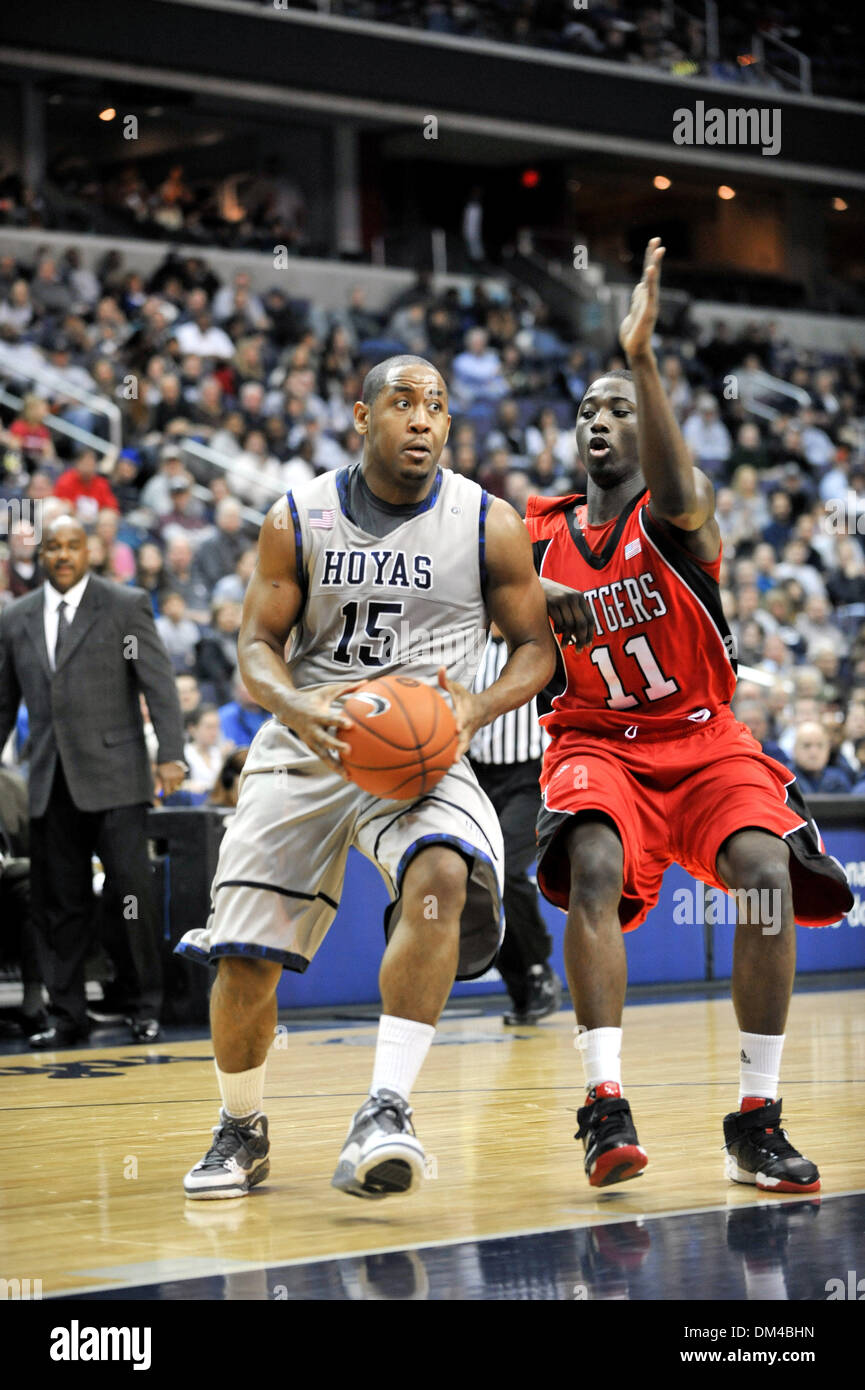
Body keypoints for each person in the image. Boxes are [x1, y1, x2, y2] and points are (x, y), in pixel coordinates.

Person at [176, 354, 556, 1200]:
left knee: (442, 872)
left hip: (424, 744)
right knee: (243, 954)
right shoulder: (296, 516)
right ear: (361, 415)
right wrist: (293, 705)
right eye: (403, 403)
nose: (422, 419)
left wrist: (477, 709)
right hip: (311, 737)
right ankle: (241, 1127)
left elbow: (537, 648)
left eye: (437, 407)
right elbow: (254, 649)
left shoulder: (486, 522)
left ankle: (386, 1108)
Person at [524, 240, 853, 1195]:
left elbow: (678, 492)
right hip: (596, 742)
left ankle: (755, 1118)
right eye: (587, 408)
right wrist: (537, 590)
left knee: (762, 875)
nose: (599, 420)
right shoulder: (536, 532)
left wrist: (642, 361)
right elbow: (483, 586)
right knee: (588, 860)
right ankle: (603, 1105)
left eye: (618, 408)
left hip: (703, 740)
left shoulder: (678, 520)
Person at [0, 516, 187, 1047]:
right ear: (41, 556)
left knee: (132, 897)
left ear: (91, 551)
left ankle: (146, 1003)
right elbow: (2, 704)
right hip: (49, 781)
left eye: (72, 545)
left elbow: (160, 684)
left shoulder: (124, 605)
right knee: (59, 903)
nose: (62, 554)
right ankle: (67, 1015)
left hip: (117, 779)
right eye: (52, 546)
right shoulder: (16, 618)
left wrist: (172, 754)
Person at [469, 627, 562, 1025]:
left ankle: (539, 967)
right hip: (478, 776)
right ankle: (520, 988)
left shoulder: (539, 641)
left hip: (531, 776)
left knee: (503, 868)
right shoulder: (467, 643)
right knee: (479, 879)